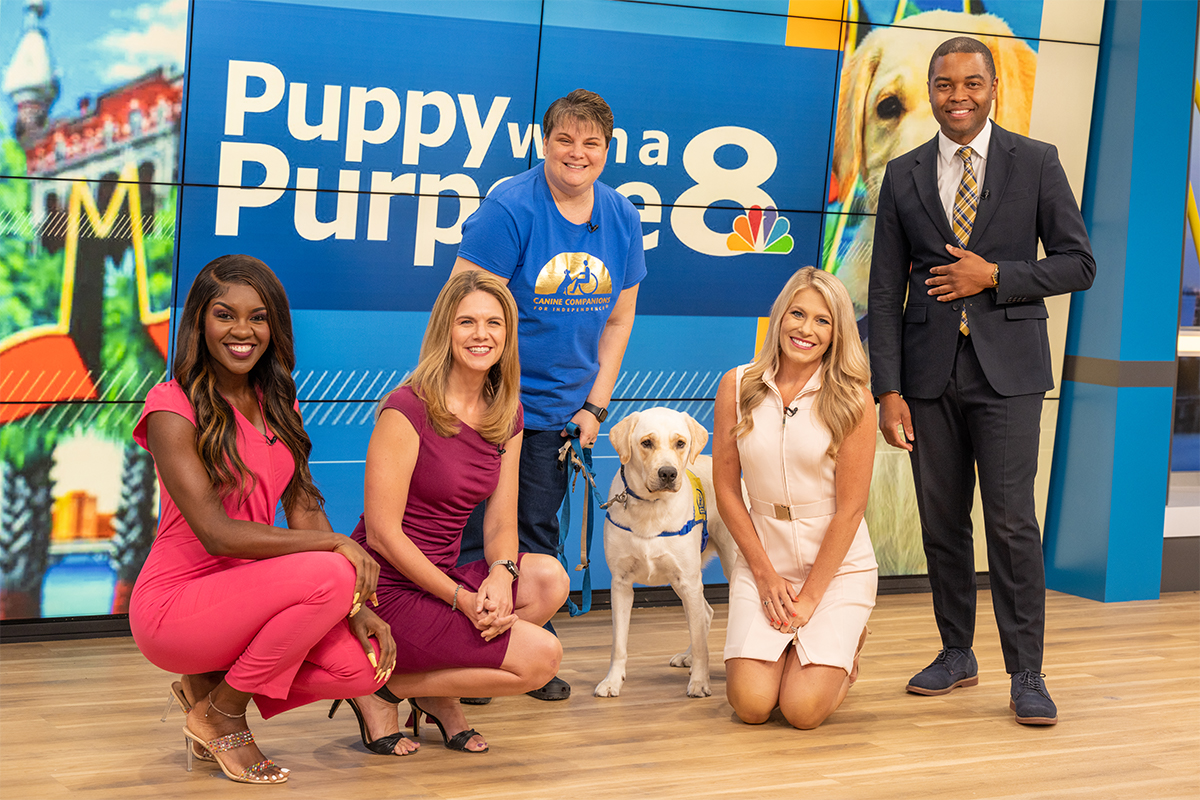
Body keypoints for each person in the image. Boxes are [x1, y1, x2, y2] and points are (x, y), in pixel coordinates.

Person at [868, 36, 1095, 726]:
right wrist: (888, 389)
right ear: (933, 90)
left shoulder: (1037, 162)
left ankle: (1027, 672)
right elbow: (883, 294)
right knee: (942, 525)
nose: (956, 96)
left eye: (971, 83)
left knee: (1011, 525)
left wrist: (994, 275)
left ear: (993, 87)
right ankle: (955, 652)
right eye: (944, 84)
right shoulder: (904, 174)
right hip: (927, 375)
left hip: (1010, 373)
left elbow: (1077, 264)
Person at [129, 254, 398, 785]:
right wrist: (338, 553)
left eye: (258, 316)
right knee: (333, 568)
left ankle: (207, 686)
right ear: (200, 322)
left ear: (274, 325)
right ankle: (220, 714)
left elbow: (302, 506)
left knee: (362, 666)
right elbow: (216, 532)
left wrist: (355, 606)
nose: (242, 331)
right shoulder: (171, 406)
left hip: (252, 595)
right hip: (176, 603)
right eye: (225, 315)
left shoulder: (278, 402)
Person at [449, 88, 646, 701]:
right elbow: (464, 309)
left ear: (608, 150)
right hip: (492, 406)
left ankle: (526, 647)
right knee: (480, 535)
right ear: (544, 143)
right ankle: (469, 651)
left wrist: (594, 406)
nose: (577, 153)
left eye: (591, 143)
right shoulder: (509, 208)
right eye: (565, 139)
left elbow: (617, 322)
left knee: (538, 532)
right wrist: (477, 404)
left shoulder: (621, 217)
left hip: (560, 413)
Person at [335, 269, 569, 754]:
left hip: (444, 574)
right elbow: (380, 535)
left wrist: (501, 576)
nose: (481, 335)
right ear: (446, 329)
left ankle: (427, 690)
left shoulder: (507, 413)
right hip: (388, 587)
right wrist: (461, 599)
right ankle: (384, 689)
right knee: (542, 658)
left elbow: (502, 522)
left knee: (549, 578)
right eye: (467, 322)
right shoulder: (407, 409)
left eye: (494, 323)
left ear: (508, 335)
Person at [713, 266, 878, 730]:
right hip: (766, 560)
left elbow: (851, 511)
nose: (806, 329)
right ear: (780, 316)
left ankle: (847, 643)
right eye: (797, 314)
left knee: (802, 712)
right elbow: (726, 490)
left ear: (837, 332)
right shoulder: (738, 385)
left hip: (836, 568)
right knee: (751, 706)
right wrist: (764, 575)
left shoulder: (855, 400)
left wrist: (810, 599)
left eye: (822, 321)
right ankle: (796, 654)